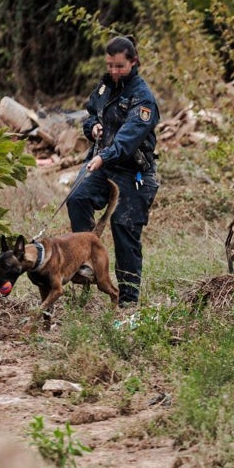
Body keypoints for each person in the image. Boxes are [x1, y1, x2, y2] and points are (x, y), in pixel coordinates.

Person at [67, 35, 160, 307]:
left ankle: (128, 302)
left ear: (133, 62)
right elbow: (92, 113)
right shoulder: (105, 86)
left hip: (134, 173)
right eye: (110, 65)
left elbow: (129, 138)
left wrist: (105, 155)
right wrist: (93, 126)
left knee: (124, 231)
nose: (114, 71)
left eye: (119, 66)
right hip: (102, 163)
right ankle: (85, 260)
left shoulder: (143, 98)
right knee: (77, 198)